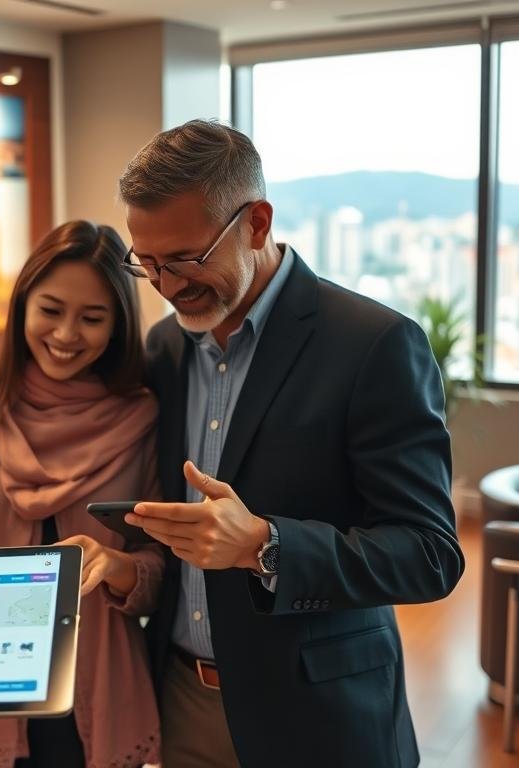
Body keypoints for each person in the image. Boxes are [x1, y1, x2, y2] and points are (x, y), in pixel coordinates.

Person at [116, 120, 464, 767]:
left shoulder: (374, 344)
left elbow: (431, 554)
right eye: (148, 264)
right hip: (182, 702)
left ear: (256, 222)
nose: (167, 286)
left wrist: (264, 546)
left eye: (187, 258)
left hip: (322, 715)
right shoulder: (163, 349)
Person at [0, 221, 163, 768]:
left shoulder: (141, 419)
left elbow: (160, 572)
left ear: (117, 325)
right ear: (23, 306)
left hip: (89, 694)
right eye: (50, 310)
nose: (67, 334)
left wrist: (115, 564)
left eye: (92, 318)